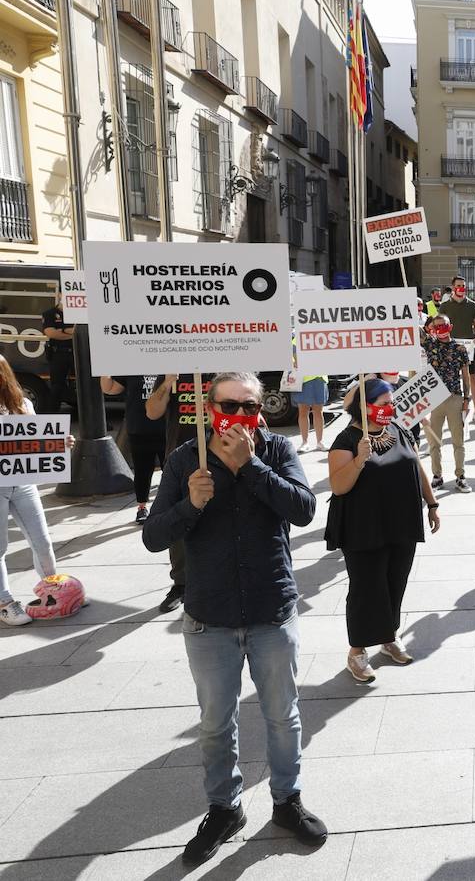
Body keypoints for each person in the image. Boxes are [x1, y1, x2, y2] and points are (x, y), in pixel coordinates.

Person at [142, 372, 324, 866]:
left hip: (271, 610)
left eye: (249, 408)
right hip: (210, 618)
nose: (239, 417)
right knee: (215, 725)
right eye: (230, 406)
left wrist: (251, 469)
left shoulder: (277, 450)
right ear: (208, 404)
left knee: (283, 718)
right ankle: (224, 809)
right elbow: (154, 536)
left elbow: (305, 509)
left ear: (260, 410)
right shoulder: (186, 459)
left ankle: (287, 801)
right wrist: (190, 504)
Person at [327, 378, 441, 683]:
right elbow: (338, 486)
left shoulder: (399, 431)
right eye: (382, 404)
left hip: (400, 522)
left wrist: (431, 503)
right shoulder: (345, 440)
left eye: (390, 403)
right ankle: (357, 651)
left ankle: (389, 636)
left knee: (395, 582)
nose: (389, 408)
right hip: (363, 527)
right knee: (366, 589)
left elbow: (417, 467)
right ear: (363, 407)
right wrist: (360, 460)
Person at [0, 357, 65, 626]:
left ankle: (52, 590)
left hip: (23, 481)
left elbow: (37, 440)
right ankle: (5, 603)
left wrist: (60, 444)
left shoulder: (22, 405)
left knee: (42, 540)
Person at [145, 371, 217, 613]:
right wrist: (167, 383)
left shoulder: (225, 365)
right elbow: (152, 411)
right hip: (179, 458)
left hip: (222, 454)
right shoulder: (172, 369)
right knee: (178, 519)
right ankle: (181, 583)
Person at [101, 374, 164, 524]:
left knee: (171, 470)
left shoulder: (169, 364)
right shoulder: (132, 365)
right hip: (139, 428)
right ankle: (142, 507)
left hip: (167, 428)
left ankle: (169, 505)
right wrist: (104, 369)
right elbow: (109, 389)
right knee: (142, 470)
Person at [419, 315, 472, 493]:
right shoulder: (430, 344)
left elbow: (466, 375)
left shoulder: (459, 348)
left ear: (450, 326)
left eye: (443, 325)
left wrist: (467, 399)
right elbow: (414, 330)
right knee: (434, 441)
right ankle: (437, 476)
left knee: (458, 441)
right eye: (436, 326)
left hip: (454, 398)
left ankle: (460, 476)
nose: (440, 329)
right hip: (433, 399)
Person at [439, 277, 475, 424]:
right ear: (452, 287)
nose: (461, 288)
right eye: (458, 286)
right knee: (450, 380)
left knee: (472, 378)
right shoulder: (444, 306)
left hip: (468, 347)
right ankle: (453, 413)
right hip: (450, 348)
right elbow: (439, 326)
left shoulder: (473, 306)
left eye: (463, 286)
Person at [39, 296, 74, 412]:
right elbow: (51, 333)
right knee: (56, 387)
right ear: (59, 295)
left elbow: (84, 332)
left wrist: (61, 330)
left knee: (87, 385)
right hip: (58, 353)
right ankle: (52, 418)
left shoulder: (80, 313)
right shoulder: (50, 313)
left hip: (78, 353)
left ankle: (93, 420)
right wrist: (69, 332)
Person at [292, 371, 327, 453]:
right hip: (302, 378)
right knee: (303, 412)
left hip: (319, 378)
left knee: (318, 412)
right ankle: (304, 442)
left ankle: (320, 442)